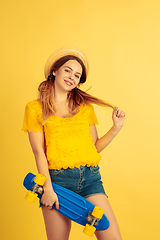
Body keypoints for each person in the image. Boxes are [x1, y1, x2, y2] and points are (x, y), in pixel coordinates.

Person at [22, 47, 125, 240]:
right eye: (68, 70)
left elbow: (93, 148)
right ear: (55, 71)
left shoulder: (84, 107)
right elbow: (38, 152)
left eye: (77, 75)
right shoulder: (35, 108)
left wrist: (116, 128)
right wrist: (48, 190)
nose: (72, 77)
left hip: (90, 179)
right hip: (57, 182)